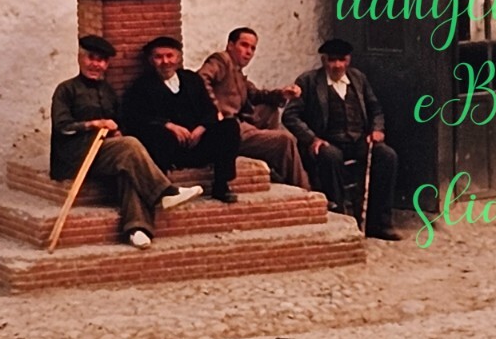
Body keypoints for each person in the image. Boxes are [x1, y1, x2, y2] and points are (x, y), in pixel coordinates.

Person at [49, 34, 201, 248]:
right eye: (91, 58)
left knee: (127, 165)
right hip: (75, 155)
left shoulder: (108, 91)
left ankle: (136, 229)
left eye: (101, 60)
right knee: (128, 147)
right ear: (80, 58)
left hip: (105, 153)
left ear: (107, 64)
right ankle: (165, 192)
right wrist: (94, 124)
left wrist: (117, 131)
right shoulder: (66, 90)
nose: (96, 64)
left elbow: (120, 122)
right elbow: (62, 127)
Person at [284, 38, 401, 241]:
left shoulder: (358, 79)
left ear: (348, 60)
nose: (337, 65)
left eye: (341, 60)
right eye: (332, 60)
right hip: (328, 141)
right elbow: (290, 116)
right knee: (330, 157)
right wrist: (312, 139)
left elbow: (376, 109)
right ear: (323, 60)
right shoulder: (309, 81)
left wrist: (377, 129)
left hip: (358, 141)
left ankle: (379, 222)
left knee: (387, 156)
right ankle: (339, 220)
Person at [121, 35, 240, 202]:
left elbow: (210, 109)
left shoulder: (191, 80)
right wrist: (169, 126)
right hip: (169, 147)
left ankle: (221, 185)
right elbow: (136, 117)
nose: (165, 61)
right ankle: (164, 190)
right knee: (153, 135)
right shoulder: (142, 86)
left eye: (170, 56)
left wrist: (201, 128)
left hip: (196, 143)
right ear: (151, 60)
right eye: (159, 57)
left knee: (230, 126)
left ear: (178, 58)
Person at [198, 27, 309, 190]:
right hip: (227, 128)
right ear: (230, 45)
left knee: (269, 108)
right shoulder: (221, 60)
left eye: (252, 48)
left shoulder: (238, 72)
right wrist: (214, 110)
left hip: (240, 122)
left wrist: (283, 93)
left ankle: (270, 162)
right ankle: (305, 190)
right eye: (244, 45)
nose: (248, 52)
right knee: (285, 140)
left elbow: (257, 95)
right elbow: (201, 78)